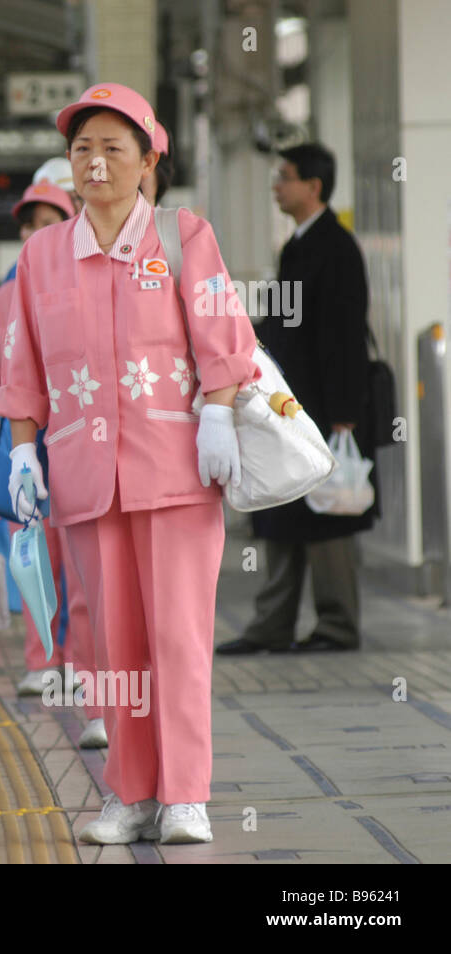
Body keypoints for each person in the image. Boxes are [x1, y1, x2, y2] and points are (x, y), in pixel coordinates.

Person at [0, 82, 259, 844]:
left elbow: (222, 333)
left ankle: (185, 795)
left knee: (177, 635)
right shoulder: (43, 256)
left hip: (176, 469)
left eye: (114, 147)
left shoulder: (182, 236)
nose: (96, 162)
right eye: (82, 149)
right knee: (111, 646)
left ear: (149, 158)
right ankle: (131, 794)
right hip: (86, 475)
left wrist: (216, 411)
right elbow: (24, 368)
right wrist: (21, 454)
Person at [216, 143, 376, 655]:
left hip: (330, 411)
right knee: (283, 507)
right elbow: (288, 326)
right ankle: (272, 624)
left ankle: (337, 625)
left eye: (284, 177)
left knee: (328, 519)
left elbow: (347, 336)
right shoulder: (297, 247)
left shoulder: (338, 248)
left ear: (313, 186)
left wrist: (346, 415)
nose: (275, 186)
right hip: (292, 406)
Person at [0, 182, 106, 744]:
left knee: (82, 571)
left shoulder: (88, 271)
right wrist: (9, 444)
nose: (35, 231)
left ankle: (86, 676)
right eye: (27, 222)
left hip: (81, 443)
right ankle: (41, 660)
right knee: (32, 558)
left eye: (47, 217)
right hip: (30, 445)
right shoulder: (9, 291)